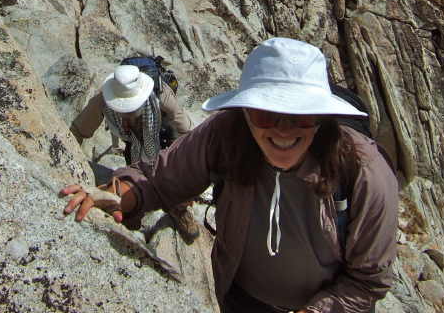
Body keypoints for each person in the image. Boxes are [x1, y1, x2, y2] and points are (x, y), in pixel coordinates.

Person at [61, 38, 399, 313]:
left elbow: (367, 280)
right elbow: (157, 178)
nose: (284, 129)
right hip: (237, 300)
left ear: (322, 117)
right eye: (266, 113)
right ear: (246, 112)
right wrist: (115, 194)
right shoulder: (224, 136)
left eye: (302, 115)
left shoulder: (363, 173)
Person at [68, 63, 200, 240]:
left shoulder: (161, 93)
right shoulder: (102, 101)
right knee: (133, 175)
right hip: (133, 139)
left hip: (164, 131)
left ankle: (180, 210)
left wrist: (187, 171)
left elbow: (188, 132)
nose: (128, 110)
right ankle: (131, 214)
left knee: (175, 173)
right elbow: (77, 131)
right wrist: (69, 165)